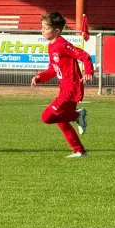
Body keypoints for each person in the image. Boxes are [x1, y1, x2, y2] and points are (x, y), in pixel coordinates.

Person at [30, 11, 94, 158]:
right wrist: (40, 77)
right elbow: (53, 68)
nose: (42, 30)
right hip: (64, 88)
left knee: (47, 117)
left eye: (45, 28)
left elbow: (84, 56)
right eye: (42, 27)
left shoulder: (62, 44)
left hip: (71, 88)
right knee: (61, 120)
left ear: (57, 31)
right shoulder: (51, 46)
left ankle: (77, 115)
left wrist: (88, 71)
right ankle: (80, 151)